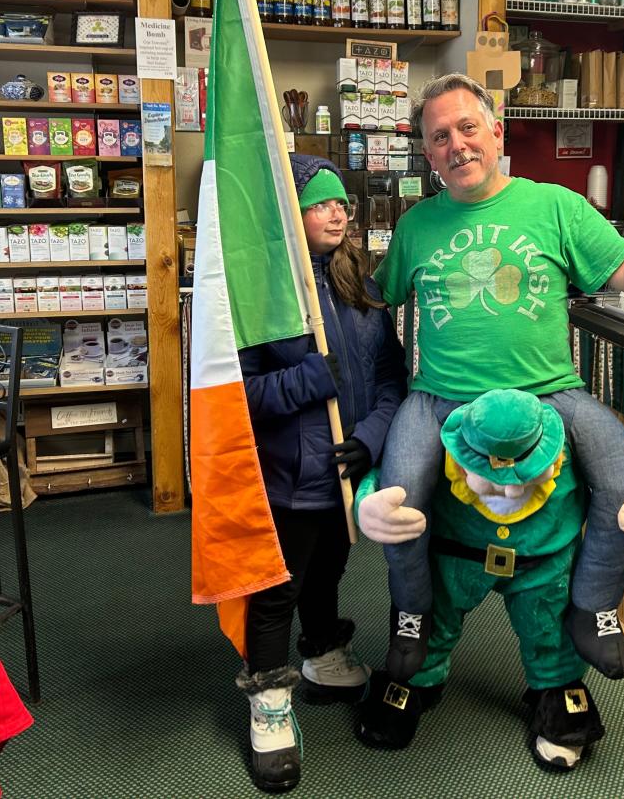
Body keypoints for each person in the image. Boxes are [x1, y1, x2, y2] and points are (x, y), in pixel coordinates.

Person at [361, 73, 624, 685]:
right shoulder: (414, 227)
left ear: (496, 130)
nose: (457, 145)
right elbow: (367, 302)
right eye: (439, 137)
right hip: (439, 400)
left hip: (552, 395)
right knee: (399, 495)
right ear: (427, 151)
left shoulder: (555, 205)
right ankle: (412, 617)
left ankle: (594, 607)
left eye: (467, 127)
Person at [353, 389, 624, 769]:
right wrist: (368, 501)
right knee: (436, 608)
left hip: (540, 556)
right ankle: (416, 670)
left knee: (548, 622)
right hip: (455, 548)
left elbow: (618, 475)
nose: (511, 489)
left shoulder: (563, 414)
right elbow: (398, 473)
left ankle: (557, 683)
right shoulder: (435, 414)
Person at [236, 154, 406, 793]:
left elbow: (390, 378)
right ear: (290, 213)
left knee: (330, 566)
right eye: (321, 204)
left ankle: (323, 653)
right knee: (281, 585)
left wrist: (369, 438)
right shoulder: (266, 291)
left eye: (343, 204)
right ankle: (268, 705)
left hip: (348, 468)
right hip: (291, 474)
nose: (338, 213)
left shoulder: (358, 284)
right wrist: (306, 380)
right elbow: (239, 396)